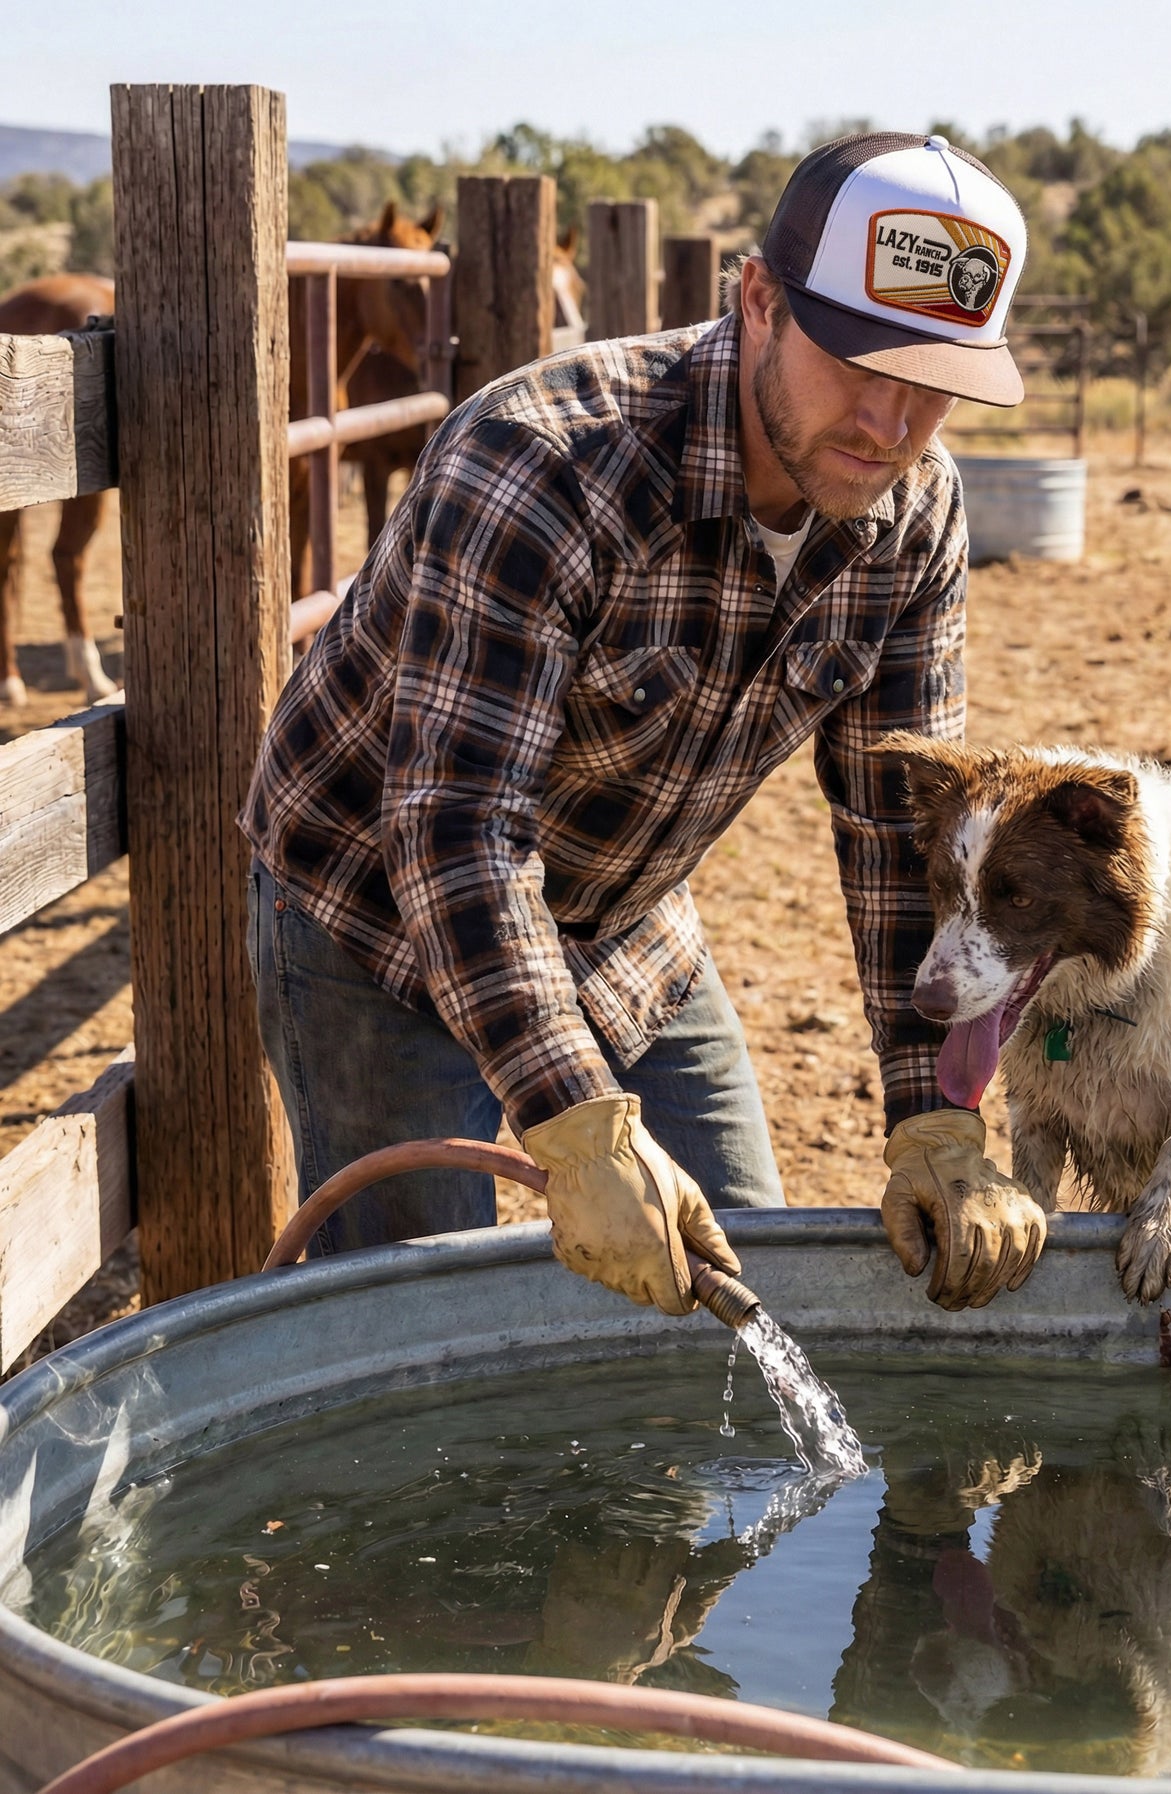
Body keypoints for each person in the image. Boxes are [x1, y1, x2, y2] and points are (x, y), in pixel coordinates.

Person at [241, 129, 1048, 1316]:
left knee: (739, 1273)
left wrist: (933, 1110)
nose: (888, 422)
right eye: (856, 363)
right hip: (378, 915)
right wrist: (572, 1124)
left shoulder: (913, 516)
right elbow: (460, 829)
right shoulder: (544, 464)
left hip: (624, 914)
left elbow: (895, 832)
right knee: (416, 1317)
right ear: (757, 300)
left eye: (933, 384)